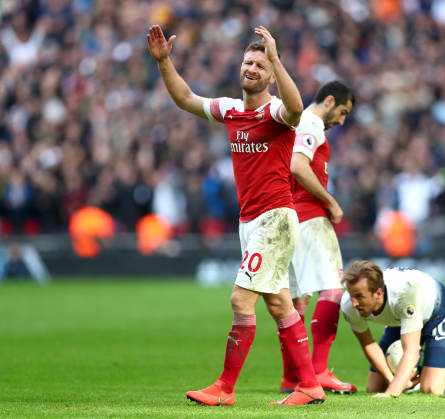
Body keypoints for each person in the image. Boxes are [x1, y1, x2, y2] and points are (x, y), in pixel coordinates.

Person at [147, 25, 325, 406]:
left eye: (261, 65)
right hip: (250, 222)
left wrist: (277, 58)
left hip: (275, 219)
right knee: (279, 303)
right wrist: (164, 63)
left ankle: (225, 388)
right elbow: (185, 98)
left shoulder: (274, 111)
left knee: (240, 301)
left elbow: (295, 108)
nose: (252, 69)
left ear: (271, 75)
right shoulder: (230, 109)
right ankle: (310, 385)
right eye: (248, 62)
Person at [279, 81, 356, 394]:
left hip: (288, 218)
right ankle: (319, 371)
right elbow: (298, 166)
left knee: (296, 300)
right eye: (342, 112)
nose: (342, 121)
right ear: (329, 101)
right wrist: (330, 200)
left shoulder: (294, 123)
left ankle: (293, 377)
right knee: (333, 290)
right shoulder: (311, 122)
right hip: (310, 216)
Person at [340, 260, 445, 396]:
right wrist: (391, 380)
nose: (354, 303)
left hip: (440, 312)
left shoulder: (404, 293)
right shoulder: (349, 304)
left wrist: (392, 392)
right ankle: (430, 371)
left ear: (378, 293)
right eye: (351, 295)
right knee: (374, 387)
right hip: (402, 318)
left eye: (359, 296)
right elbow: (368, 344)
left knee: (431, 389)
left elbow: (412, 351)